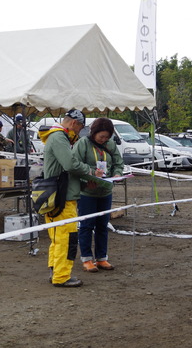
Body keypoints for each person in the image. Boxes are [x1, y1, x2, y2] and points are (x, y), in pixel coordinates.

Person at [39, 109, 103, 288]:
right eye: (80, 127)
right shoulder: (59, 138)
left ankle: (56, 271)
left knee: (58, 238)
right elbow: (69, 164)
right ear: (74, 124)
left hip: (59, 195)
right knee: (66, 238)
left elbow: (65, 171)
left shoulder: (56, 137)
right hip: (62, 198)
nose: (79, 133)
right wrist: (90, 172)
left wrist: (82, 184)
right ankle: (61, 276)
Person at [73, 117, 124, 272]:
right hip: (87, 193)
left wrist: (116, 174)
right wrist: (86, 179)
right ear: (94, 133)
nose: (104, 139)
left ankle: (102, 258)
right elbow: (75, 165)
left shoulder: (111, 145)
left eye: (107, 137)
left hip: (105, 191)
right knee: (87, 226)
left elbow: (118, 163)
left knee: (102, 225)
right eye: (101, 136)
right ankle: (87, 259)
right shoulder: (82, 144)